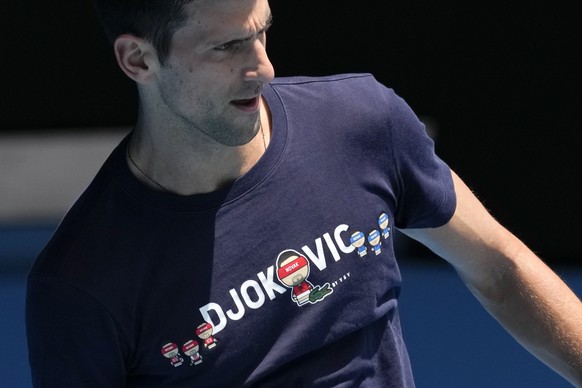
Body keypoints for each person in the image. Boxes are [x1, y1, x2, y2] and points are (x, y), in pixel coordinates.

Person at [25, 0, 582, 387]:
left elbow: (501, 267)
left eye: (263, 32)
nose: (263, 66)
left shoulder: (366, 123)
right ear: (138, 60)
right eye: (228, 46)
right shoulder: (79, 285)